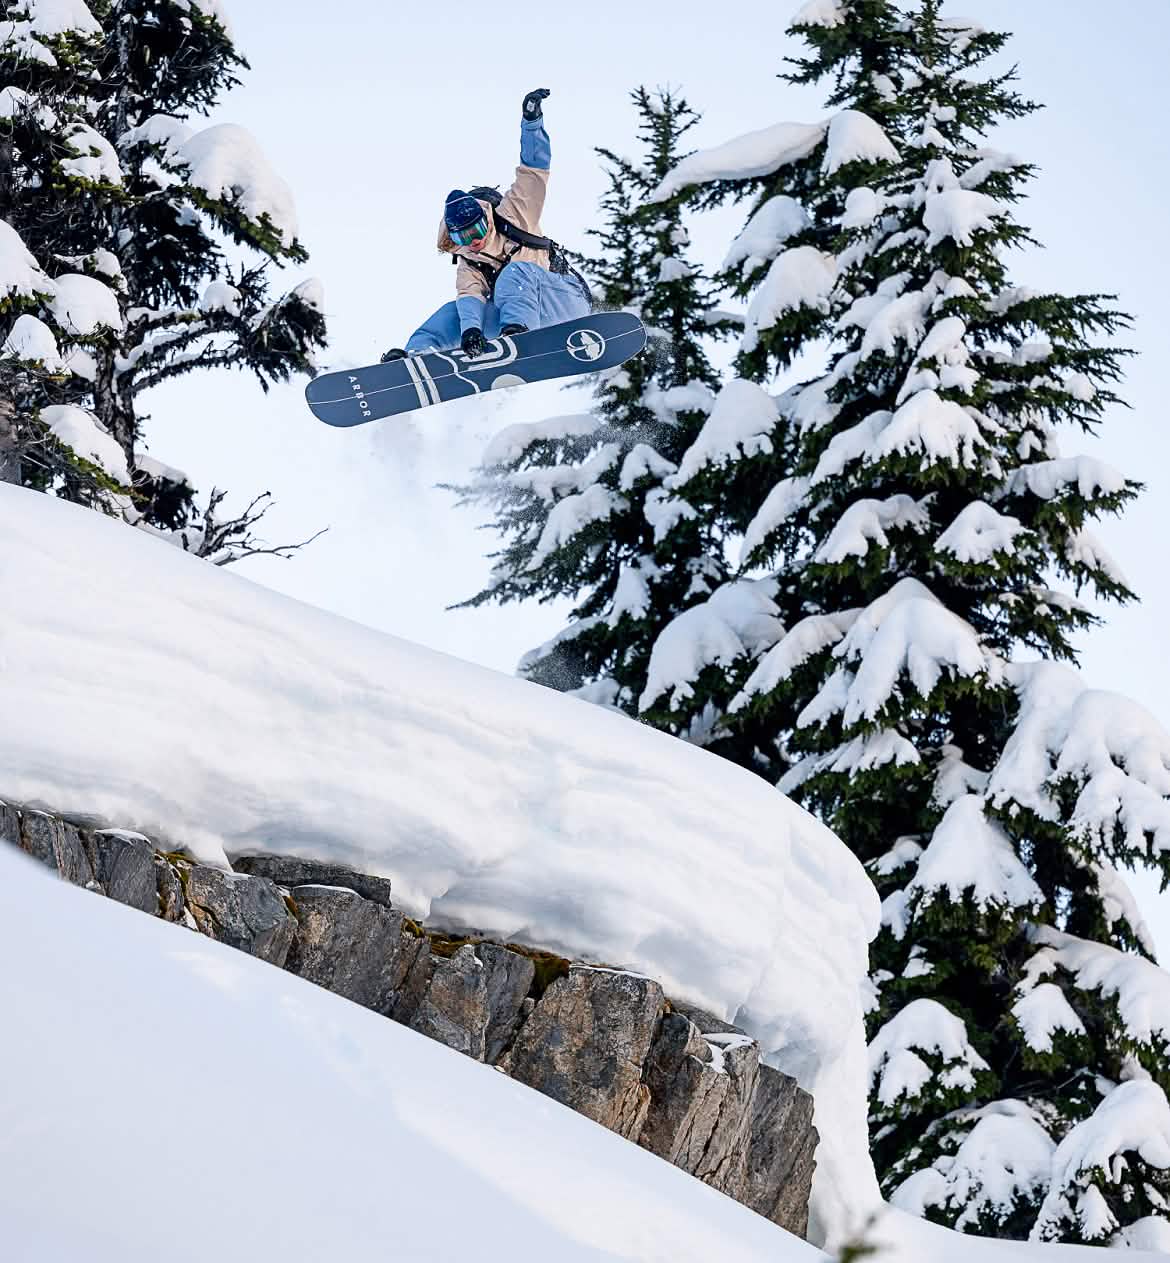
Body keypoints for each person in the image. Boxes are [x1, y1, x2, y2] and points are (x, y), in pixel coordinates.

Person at [381, 88, 591, 363]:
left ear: (487, 218)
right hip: (514, 314)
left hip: (562, 301)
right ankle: (417, 356)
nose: (473, 241)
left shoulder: (515, 212)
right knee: (454, 312)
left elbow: (534, 167)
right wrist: (470, 331)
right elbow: (470, 296)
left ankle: (518, 335)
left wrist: (532, 121)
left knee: (514, 274)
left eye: (477, 231)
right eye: (462, 236)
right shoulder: (468, 257)